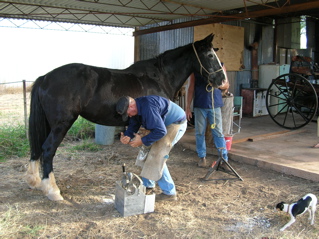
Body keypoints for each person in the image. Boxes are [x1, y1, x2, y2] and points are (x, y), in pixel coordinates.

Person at [116, 95, 187, 201]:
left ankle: (169, 193)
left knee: (157, 156)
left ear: (131, 105)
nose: (129, 116)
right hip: (162, 125)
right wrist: (127, 136)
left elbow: (161, 131)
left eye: (128, 113)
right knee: (147, 152)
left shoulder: (148, 108)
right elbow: (134, 124)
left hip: (175, 124)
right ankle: (148, 185)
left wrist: (142, 141)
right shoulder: (137, 107)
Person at [186, 64, 229, 168]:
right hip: (200, 105)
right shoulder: (195, 69)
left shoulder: (220, 66)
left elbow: (226, 85)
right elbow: (191, 87)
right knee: (199, 132)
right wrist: (187, 106)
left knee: (217, 132)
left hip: (214, 105)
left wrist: (217, 84)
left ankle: (224, 159)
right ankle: (202, 157)